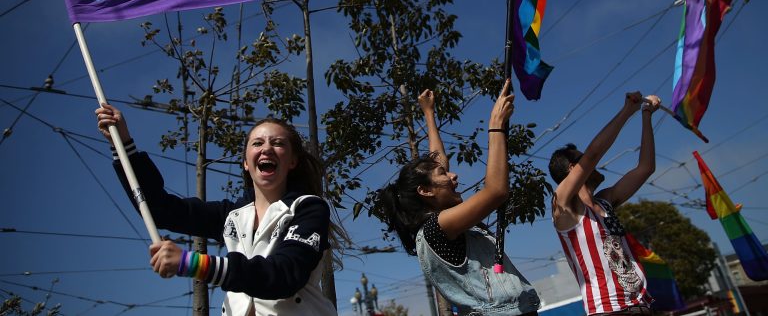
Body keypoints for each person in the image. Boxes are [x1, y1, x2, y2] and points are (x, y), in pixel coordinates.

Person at [96, 104, 337, 316]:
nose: (266, 149)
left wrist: (190, 263)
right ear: (245, 161)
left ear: (293, 161)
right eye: (257, 143)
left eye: (278, 143)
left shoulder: (308, 208)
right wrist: (123, 143)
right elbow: (160, 208)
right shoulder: (231, 215)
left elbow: (284, 275)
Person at [378, 80, 540, 316]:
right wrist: (495, 126)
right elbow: (496, 191)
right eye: (444, 174)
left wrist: (429, 113)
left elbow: (438, 160)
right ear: (425, 191)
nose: (454, 176)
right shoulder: (436, 228)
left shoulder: (438, 222)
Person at [548, 92, 661, 316]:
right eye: (581, 159)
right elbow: (594, 154)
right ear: (572, 168)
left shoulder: (605, 201)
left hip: (640, 305)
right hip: (607, 310)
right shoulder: (563, 205)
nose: (593, 164)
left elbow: (645, 167)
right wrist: (627, 111)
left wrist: (646, 115)